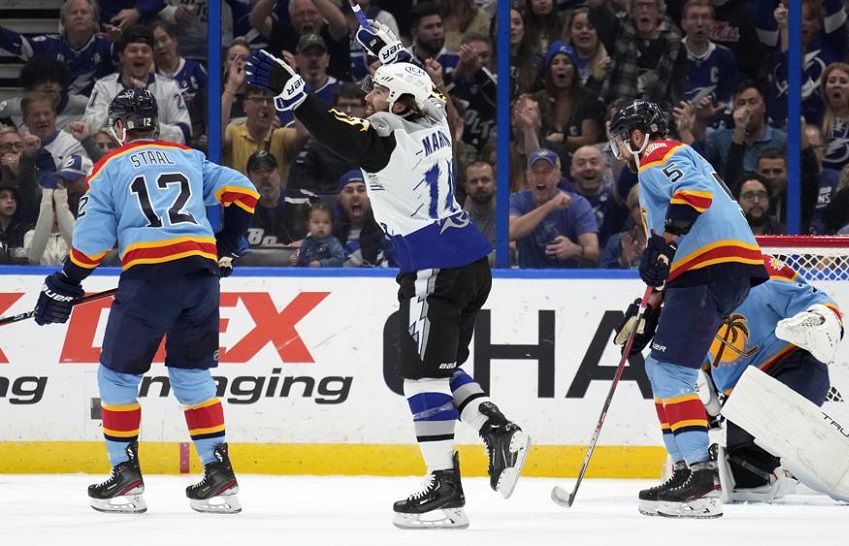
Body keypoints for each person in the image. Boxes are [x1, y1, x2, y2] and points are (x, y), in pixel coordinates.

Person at [245, 25, 530, 528]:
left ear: (398, 103)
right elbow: (415, 80)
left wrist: (295, 94)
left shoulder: (388, 140)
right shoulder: (436, 113)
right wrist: (389, 48)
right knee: (436, 370)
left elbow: (337, 132)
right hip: (468, 263)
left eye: (378, 91)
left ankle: (446, 491)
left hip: (432, 269)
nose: (367, 96)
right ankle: (497, 429)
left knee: (417, 375)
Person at [31, 88, 258, 514]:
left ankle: (126, 478)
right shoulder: (188, 157)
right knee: (191, 374)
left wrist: (67, 280)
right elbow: (243, 190)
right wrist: (225, 245)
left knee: (117, 376)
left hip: (151, 279)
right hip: (201, 277)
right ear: (154, 122)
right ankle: (220, 477)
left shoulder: (109, 167)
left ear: (118, 126)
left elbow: (93, 241)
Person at [608, 99, 767, 518]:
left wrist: (664, 244)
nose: (622, 152)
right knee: (661, 368)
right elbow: (668, 253)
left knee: (673, 370)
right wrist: (650, 305)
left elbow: (692, 196)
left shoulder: (660, 154)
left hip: (711, 269)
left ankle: (700, 477)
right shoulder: (661, 166)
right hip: (705, 273)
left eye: (623, 141)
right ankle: (684, 469)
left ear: (639, 134)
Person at [706, 256, 844, 503]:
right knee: (747, 475)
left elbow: (822, 305)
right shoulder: (689, 291)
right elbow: (696, 356)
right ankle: (781, 469)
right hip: (742, 397)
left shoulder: (761, 271)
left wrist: (819, 319)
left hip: (792, 368)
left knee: (765, 449)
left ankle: (794, 465)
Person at [81, 25, 193, 145]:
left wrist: (146, 125)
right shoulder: (103, 86)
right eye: (133, 50)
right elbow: (87, 125)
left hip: (156, 157)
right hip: (114, 157)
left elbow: (185, 132)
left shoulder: (169, 87)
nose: (139, 55)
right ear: (122, 57)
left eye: (145, 51)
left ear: (152, 57)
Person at [0, 0, 114, 96]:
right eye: (74, 13)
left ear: (94, 20)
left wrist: (119, 42)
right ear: (63, 22)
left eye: (84, 12)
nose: (79, 16)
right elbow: (17, 43)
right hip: (57, 113)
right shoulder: (49, 44)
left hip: (96, 112)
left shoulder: (107, 45)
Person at [509, 148, 600, 268]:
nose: (540, 177)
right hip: (528, 279)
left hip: (567, 280)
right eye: (535, 172)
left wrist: (575, 250)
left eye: (546, 172)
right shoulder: (517, 200)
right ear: (528, 176)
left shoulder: (578, 204)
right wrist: (551, 205)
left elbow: (594, 253)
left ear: (558, 176)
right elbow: (510, 232)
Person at [462, 161, 497, 264]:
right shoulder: (457, 222)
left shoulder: (508, 214)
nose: (480, 185)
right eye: (474, 181)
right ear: (466, 187)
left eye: (485, 180)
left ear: (495, 183)